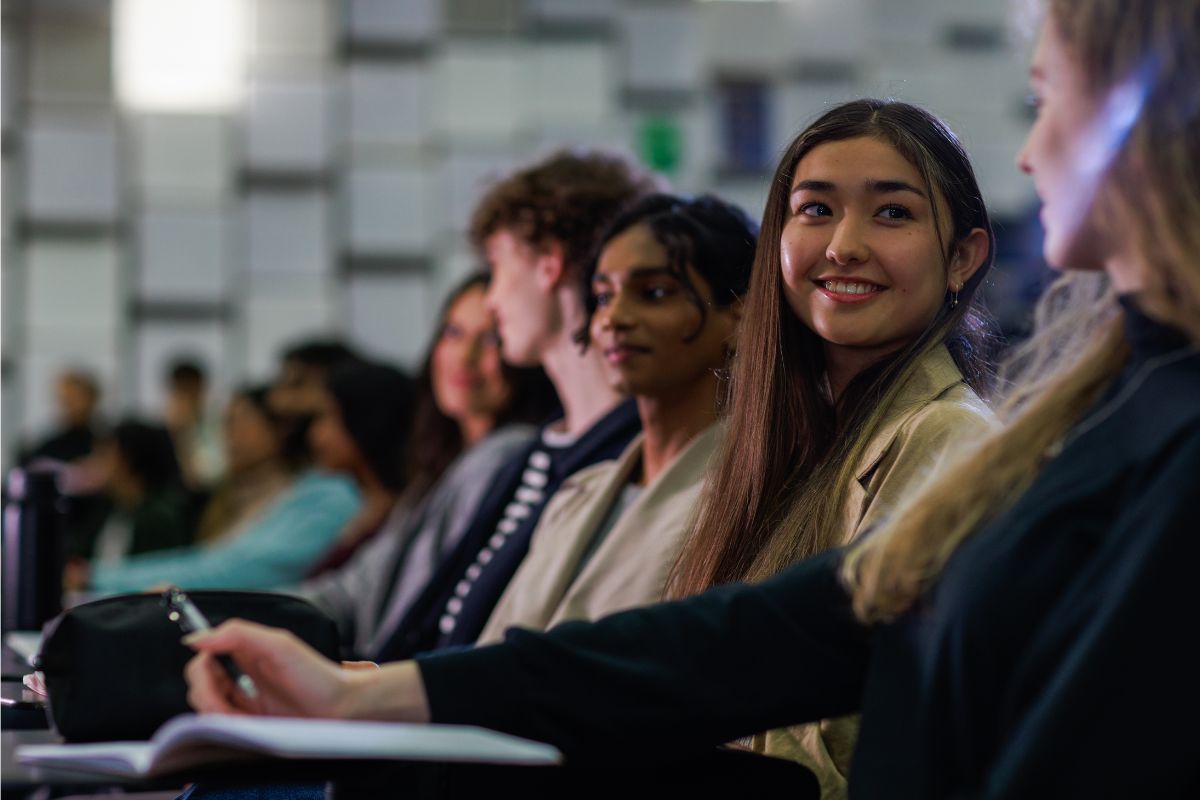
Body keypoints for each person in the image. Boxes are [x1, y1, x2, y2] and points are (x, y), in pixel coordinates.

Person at [186, 1, 1200, 796]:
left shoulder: (1025, 437)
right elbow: (742, 643)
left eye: (1045, 100)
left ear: (1140, 116)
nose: (1029, 150)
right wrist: (379, 694)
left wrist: (385, 699)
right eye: (814, 210)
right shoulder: (1097, 407)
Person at [359, 149, 659, 662]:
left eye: (497, 266)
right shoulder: (543, 446)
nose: (493, 298)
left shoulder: (631, 453)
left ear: (549, 262)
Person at [478, 193, 756, 645]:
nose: (615, 318)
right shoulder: (578, 495)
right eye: (604, 296)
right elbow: (482, 664)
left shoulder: (748, 498)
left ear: (739, 318)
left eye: (655, 293)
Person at [296, 273, 559, 656]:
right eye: (453, 333)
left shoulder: (504, 455)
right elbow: (355, 589)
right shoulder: (447, 464)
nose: (464, 357)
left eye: (490, 339)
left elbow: (413, 613)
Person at [191, 385, 303, 546]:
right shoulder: (224, 498)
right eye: (226, 423)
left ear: (278, 429)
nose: (229, 434)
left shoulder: (298, 497)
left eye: (241, 422)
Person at [163, 357, 225, 491]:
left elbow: (207, 477)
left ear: (201, 388)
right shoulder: (162, 429)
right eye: (180, 389)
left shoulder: (218, 426)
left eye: (189, 388)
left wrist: (185, 432)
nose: (186, 397)